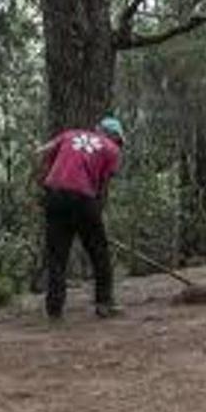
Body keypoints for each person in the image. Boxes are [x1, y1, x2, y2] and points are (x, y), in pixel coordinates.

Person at [35, 115, 124, 320]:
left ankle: (54, 310)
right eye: (119, 140)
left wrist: (44, 187)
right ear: (114, 136)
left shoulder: (70, 134)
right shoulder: (111, 149)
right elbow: (102, 185)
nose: (118, 144)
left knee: (57, 255)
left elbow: (40, 152)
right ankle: (104, 303)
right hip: (84, 198)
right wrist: (94, 214)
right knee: (99, 252)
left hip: (55, 195)